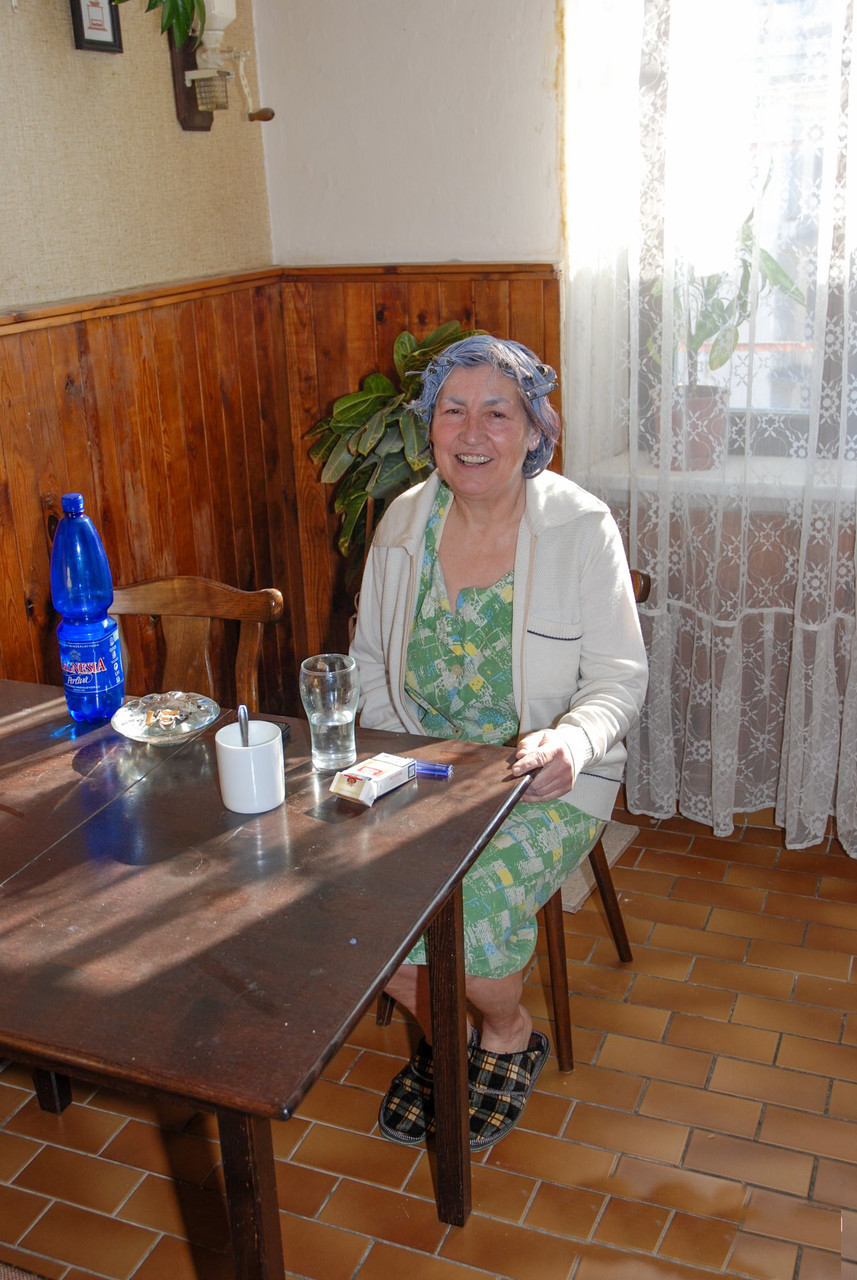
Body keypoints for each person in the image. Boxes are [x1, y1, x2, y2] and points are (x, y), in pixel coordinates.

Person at [349, 335, 648, 1150]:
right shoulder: (404, 522)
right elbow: (368, 658)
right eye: (453, 410)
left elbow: (618, 678)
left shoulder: (578, 527)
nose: (472, 432)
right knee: (345, 894)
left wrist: (574, 742)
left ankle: (505, 1033)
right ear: (430, 426)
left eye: (497, 412)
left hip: (538, 776)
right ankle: (447, 1038)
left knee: (469, 908)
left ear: (533, 429)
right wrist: (396, 754)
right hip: (421, 766)